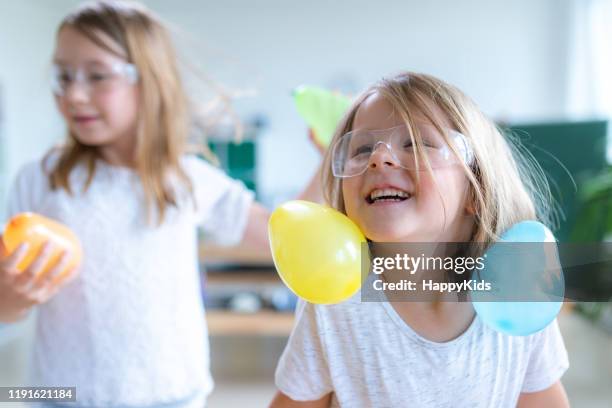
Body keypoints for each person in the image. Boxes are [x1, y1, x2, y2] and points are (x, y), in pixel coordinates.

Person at [0, 1, 320, 407]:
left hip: (172, 395)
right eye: (63, 75)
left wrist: (329, 160)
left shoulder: (184, 178)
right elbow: (8, 308)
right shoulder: (40, 179)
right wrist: (7, 298)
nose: (74, 94)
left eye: (97, 75)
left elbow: (282, 236)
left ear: (148, 82)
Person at [270, 72, 570, 407]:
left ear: (477, 189)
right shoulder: (333, 307)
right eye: (362, 148)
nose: (378, 157)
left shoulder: (519, 292)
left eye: (417, 143)